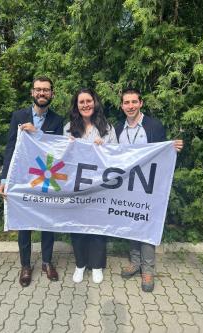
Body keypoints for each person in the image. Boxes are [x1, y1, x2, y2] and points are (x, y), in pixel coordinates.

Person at [115, 87, 183, 292]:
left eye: (134, 102)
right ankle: (135, 262)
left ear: (141, 103)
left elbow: (162, 156)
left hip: (149, 186)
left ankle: (148, 269)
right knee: (131, 222)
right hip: (127, 186)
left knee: (146, 225)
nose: (130, 106)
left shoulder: (154, 125)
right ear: (121, 106)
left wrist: (173, 149)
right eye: (126, 103)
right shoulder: (118, 128)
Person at [0, 76, 63, 287]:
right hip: (23, 178)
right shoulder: (18, 116)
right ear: (32, 93)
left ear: (52, 93)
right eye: (38, 90)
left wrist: (39, 134)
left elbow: (59, 150)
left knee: (47, 221)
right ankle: (25, 265)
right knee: (24, 221)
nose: (42, 93)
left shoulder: (57, 120)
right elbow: (10, 148)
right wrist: (4, 178)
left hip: (47, 177)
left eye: (46, 90)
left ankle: (46, 262)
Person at [64, 88, 117, 284]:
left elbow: (117, 158)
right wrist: (67, 147)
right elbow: (63, 160)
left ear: (95, 103)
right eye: (81, 102)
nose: (85, 105)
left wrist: (104, 147)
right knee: (77, 226)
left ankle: (96, 266)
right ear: (76, 106)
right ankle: (80, 264)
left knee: (97, 227)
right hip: (77, 187)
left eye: (89, 101)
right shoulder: (68, 128)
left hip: (100, 186)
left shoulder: (108, 128)